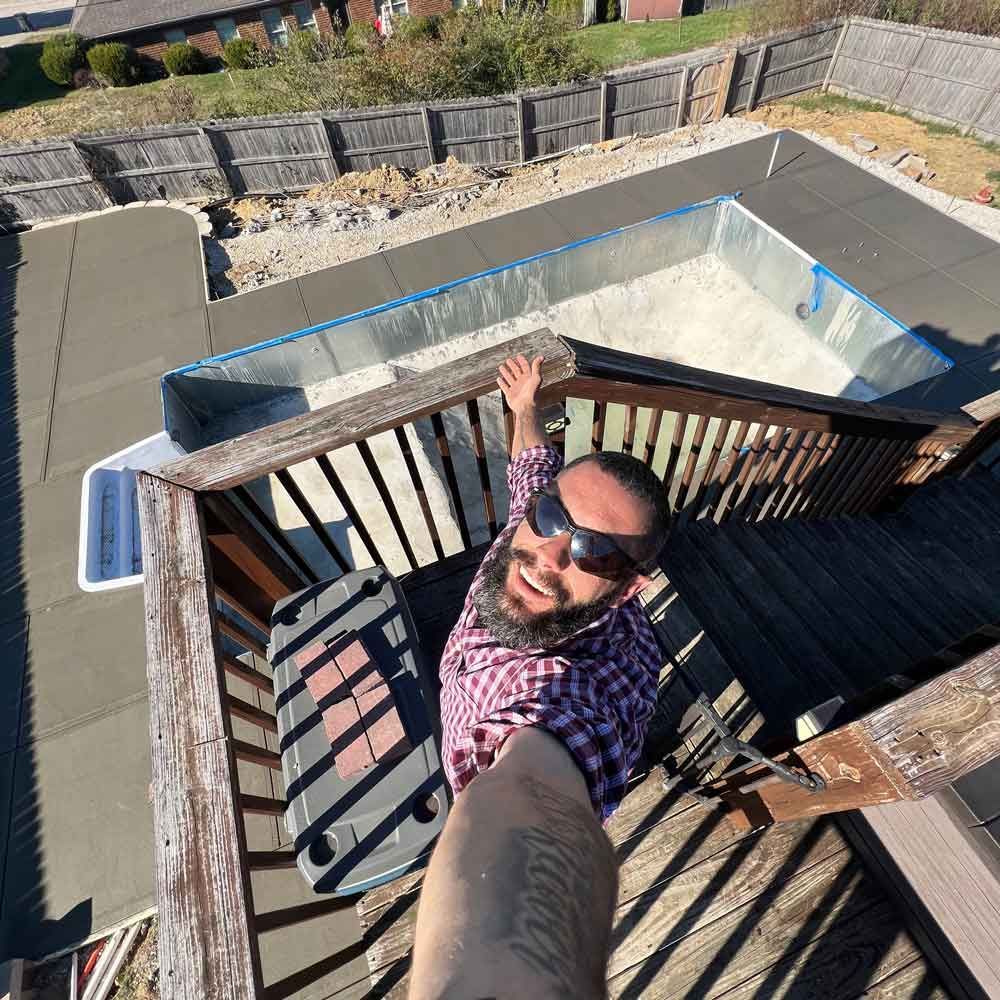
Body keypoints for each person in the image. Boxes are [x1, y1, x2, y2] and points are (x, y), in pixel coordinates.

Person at [408, 354, 671, 1000]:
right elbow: (533, 464)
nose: (549, 555)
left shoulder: (589, 684)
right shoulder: (529, 527)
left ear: (627, 589)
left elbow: (539, 782)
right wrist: (526, 405)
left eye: (596, 553)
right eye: (553, 517)